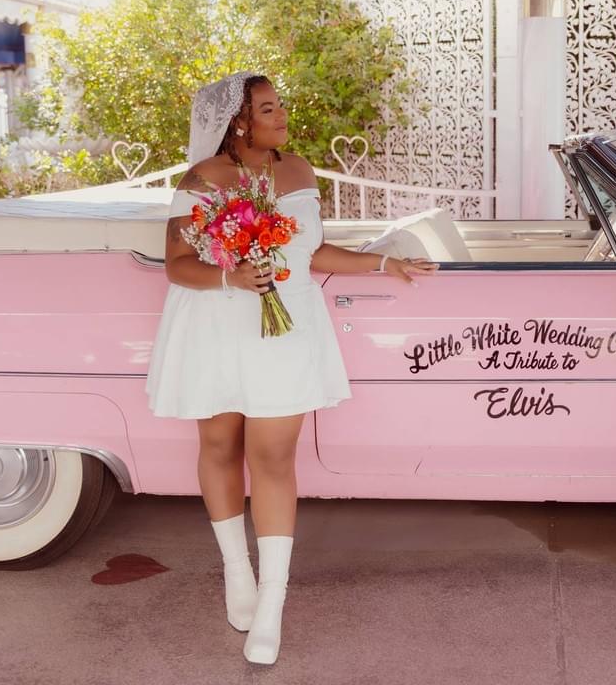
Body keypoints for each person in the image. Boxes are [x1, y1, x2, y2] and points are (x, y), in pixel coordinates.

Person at [145, 72, 437, 665]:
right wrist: (231, 275)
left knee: (274, 456)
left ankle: (272, 604)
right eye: (268, 108)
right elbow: (177, 263)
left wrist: (385, 264)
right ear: (238, 122)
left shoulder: (299, 171)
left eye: (281, 107)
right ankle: (237, 572)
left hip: (286, 327)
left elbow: (310, 254)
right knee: (221, 444)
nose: (282, 117)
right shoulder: (200, 180)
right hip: (216, 322)